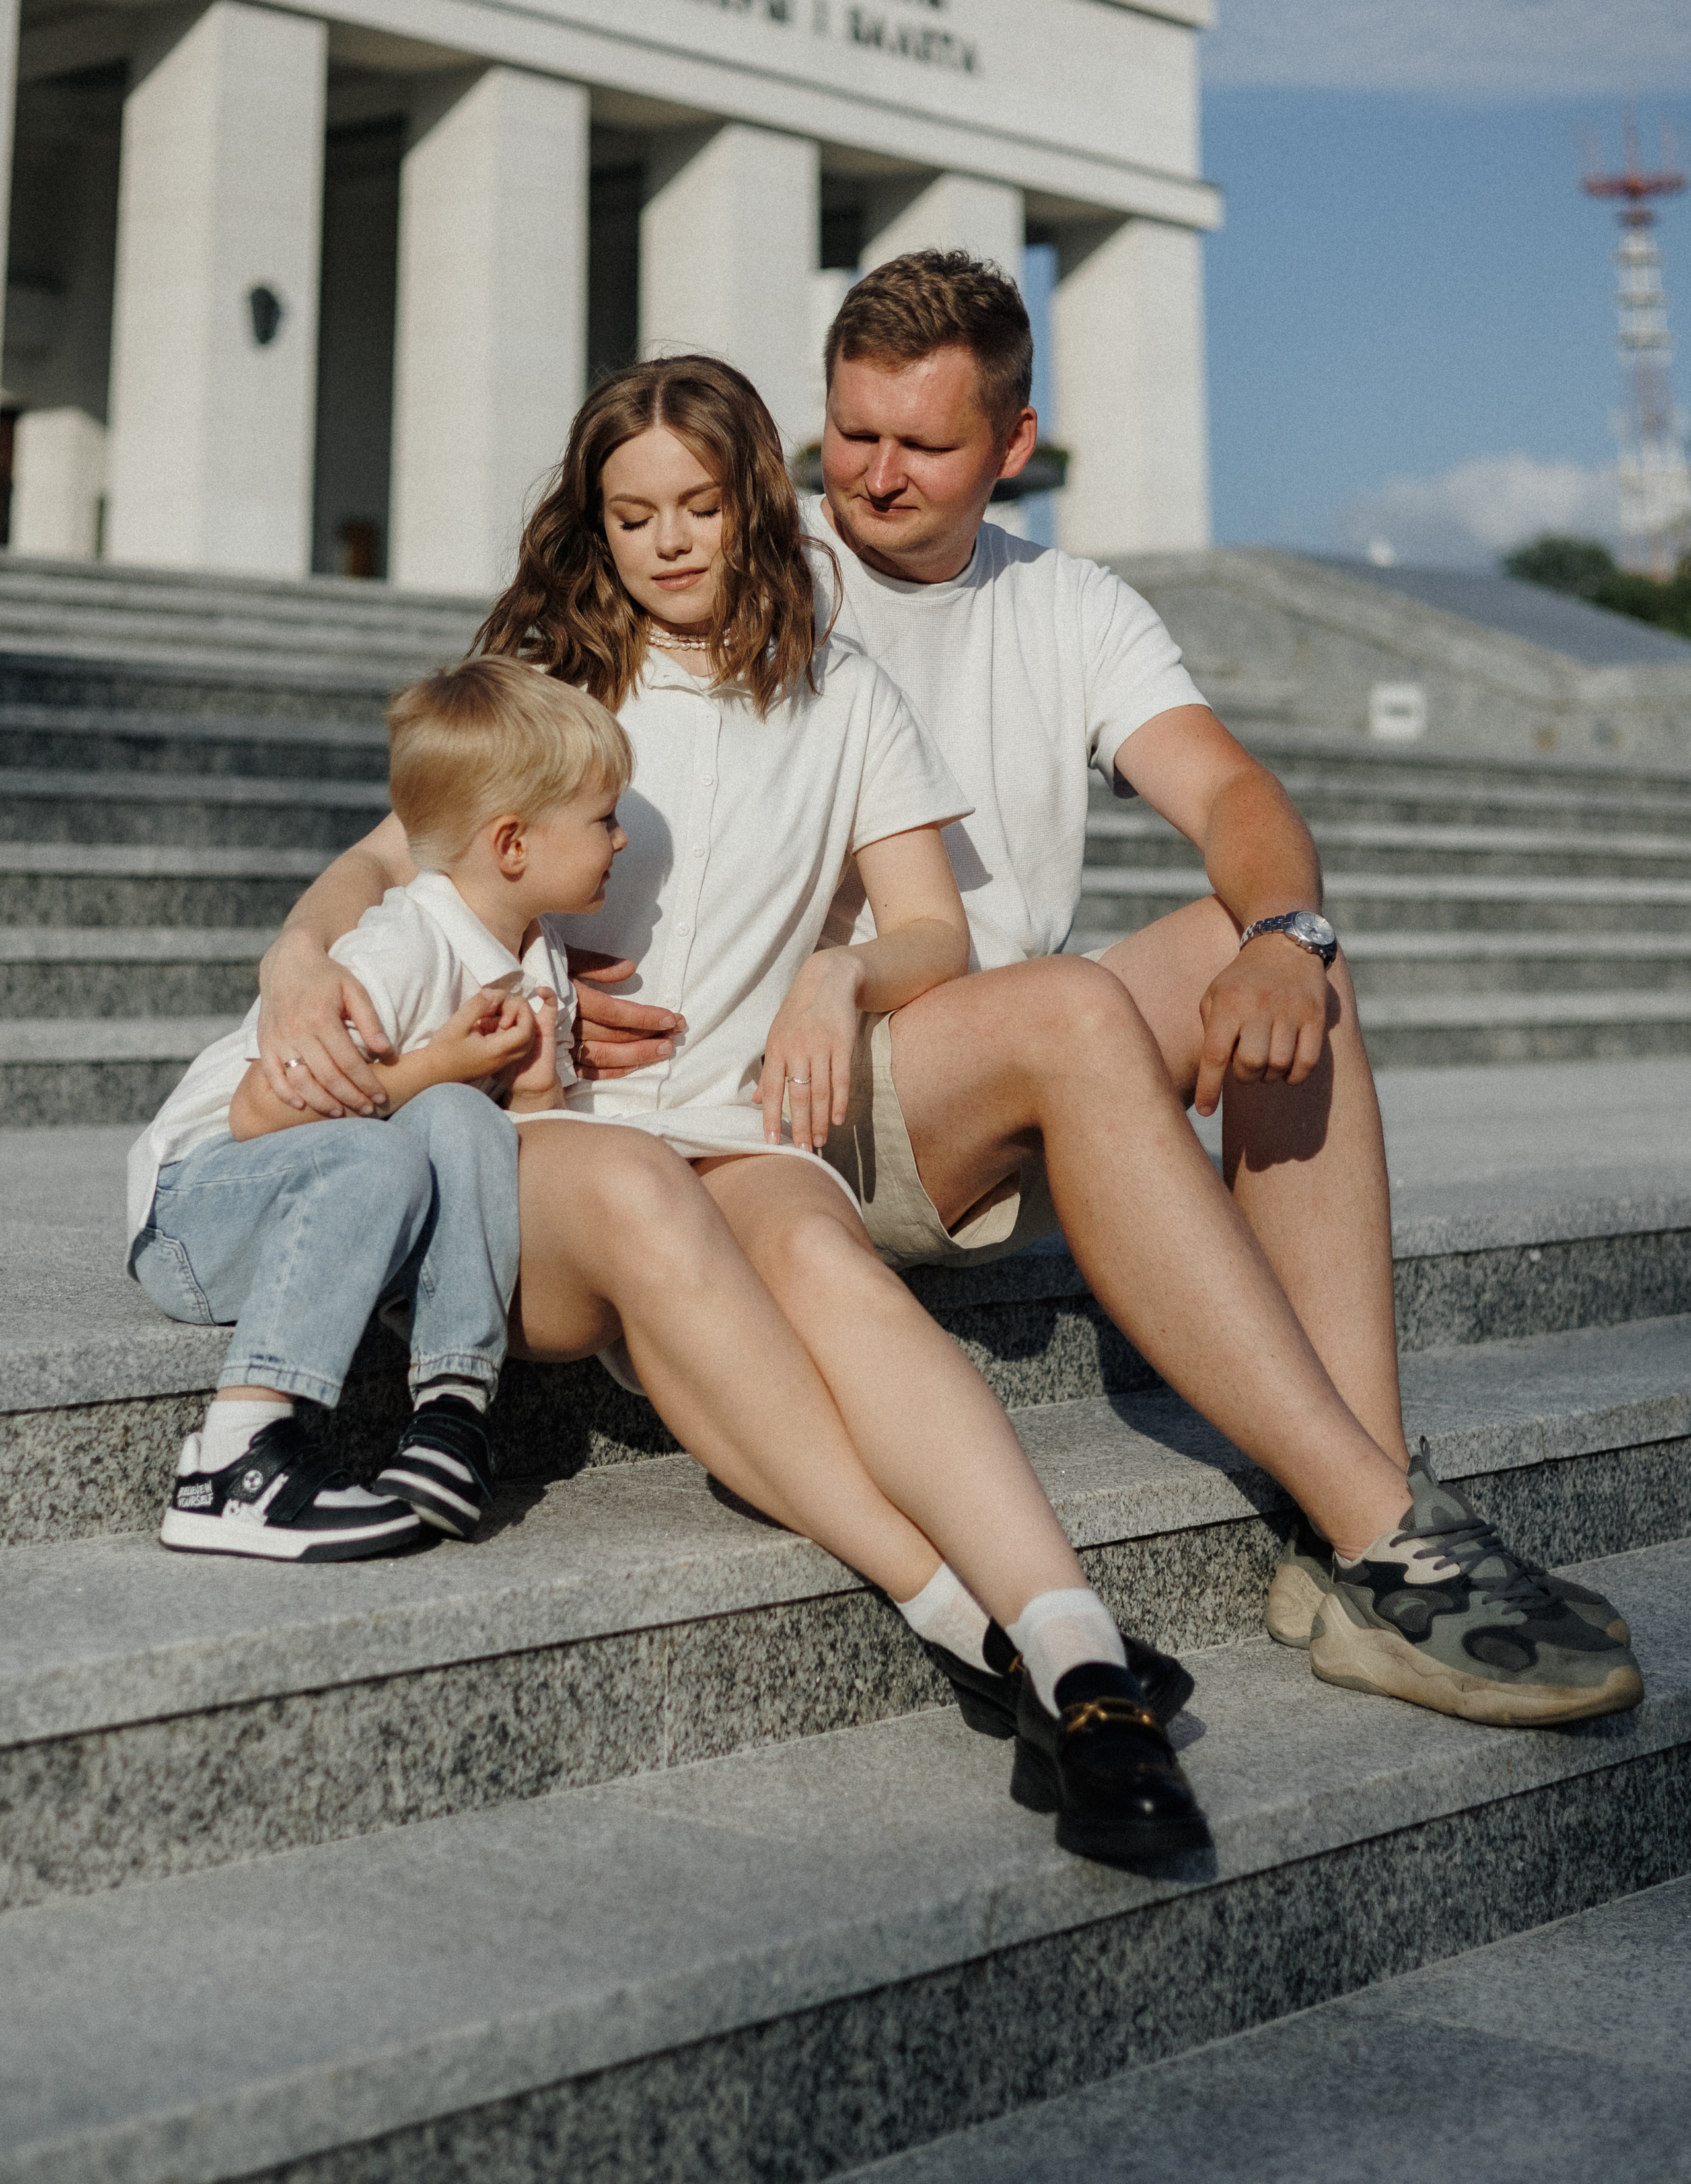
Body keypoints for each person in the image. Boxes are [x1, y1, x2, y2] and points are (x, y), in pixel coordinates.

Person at [559, 256, 1637, 1734]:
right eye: (849, 434)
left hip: (987, 1054)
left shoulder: (1066, 604)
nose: (871, 477)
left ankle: (1366, 1533)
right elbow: (506, 769)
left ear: (1013, 445)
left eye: (922, 444)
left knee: (1256, 951)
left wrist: (1285, 933)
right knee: (1068, 1008)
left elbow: (1232, 792)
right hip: (796, 1101)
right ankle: (1384, 1525)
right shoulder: (742, 557)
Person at [250, 355, 1209, 1874]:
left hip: (743, 1127)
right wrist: (296, 958)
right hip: (554, 1135)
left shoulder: (840, 686)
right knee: (644, 1186)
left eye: (699, 505)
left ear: (752, 501)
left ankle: (1080, 1665)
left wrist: (839, 976)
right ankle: (971, 1625)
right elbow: (389, 863)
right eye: (633, 515)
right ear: (596, 525)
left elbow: (931, 933)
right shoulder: (549, 672)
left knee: (828, 1263)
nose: (671, 541)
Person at [129, 656, 628, 1561]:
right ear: (512, 845)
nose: (622, 841)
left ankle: (449, 1415)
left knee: (464, 1123)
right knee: (386, 1148)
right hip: (200, 1218)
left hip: (336, 1224)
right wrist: (439, 1062)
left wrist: (530, 1074)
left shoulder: (535, 953)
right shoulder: (398, 945)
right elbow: (257, 1114)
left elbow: (517, 1139)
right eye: (605, 819)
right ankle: (230, 1462)